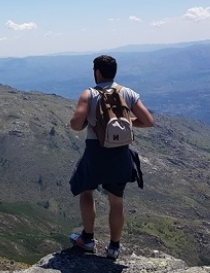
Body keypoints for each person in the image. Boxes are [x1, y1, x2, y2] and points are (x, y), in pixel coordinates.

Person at [68, 55, 154, 259]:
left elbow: (75, 124)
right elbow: (148, 121)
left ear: (97, 72)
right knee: (116, 201)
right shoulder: (128, 93)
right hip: (120, 154)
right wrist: (125, 123)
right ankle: (114, 247)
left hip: (95, 153)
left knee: (87, 192)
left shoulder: (89, 94)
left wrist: (91, 123)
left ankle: (87, 240)